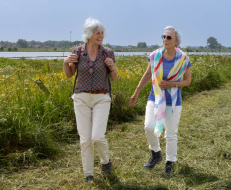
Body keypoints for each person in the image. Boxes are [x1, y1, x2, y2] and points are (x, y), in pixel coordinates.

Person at [129, 26, 192, 176]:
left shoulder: (183, 59)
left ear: (176, 41)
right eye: (163, 36)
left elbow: (187, 80)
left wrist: (172, 84)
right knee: (148, 127)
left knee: (170, 133)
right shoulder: (155, 55)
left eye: (169, 37)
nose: (165, 39)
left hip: (173, 101)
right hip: (155, 97)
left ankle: (170, 162)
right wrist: (136, 92)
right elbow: (147, 75)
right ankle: (156, 153)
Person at [63, 18, 118, 183]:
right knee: (85, 139)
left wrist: (113, 67)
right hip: (81, 98)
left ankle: (106, 161)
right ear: (88, 35)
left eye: (102, 33)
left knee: (97, 137)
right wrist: (66, 62)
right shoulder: (78, 51)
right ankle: (88, 174)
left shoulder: (107, 53)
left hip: (102, 97)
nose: (101, 36)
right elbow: (69, 74)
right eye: (97, 33)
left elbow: (114, 78)